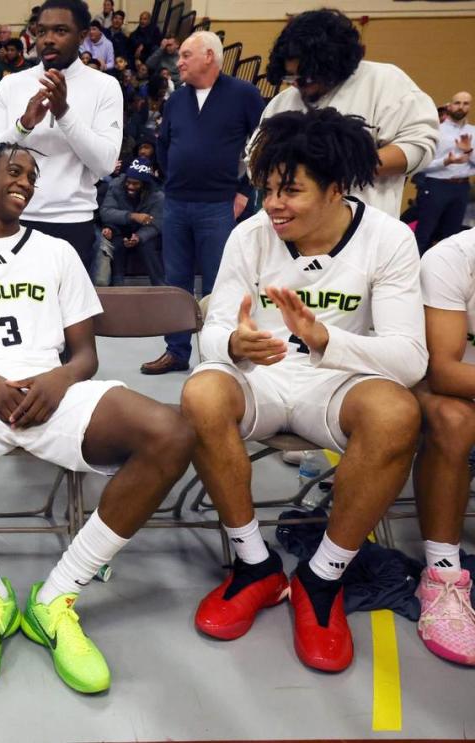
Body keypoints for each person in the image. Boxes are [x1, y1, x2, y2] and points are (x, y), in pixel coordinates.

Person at [0, 142, 194, 695]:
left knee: (171, 432)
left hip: (53, 391)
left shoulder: (57, 253)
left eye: (32, 176)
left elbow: (86, 356)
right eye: (13, 171)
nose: (24, 182)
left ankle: (57, 597)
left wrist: (56, 380)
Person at [181, 108, 427, 673]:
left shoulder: (387, 240)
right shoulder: (250, 237)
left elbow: (409, 358)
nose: (273, 204)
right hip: (261, 380)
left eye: (290, 190)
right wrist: (235, 347)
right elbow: (213, 333)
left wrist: (326, 342)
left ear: (337, 188)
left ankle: (322, 578)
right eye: (267, 189)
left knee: (396, 411)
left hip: (335, 384)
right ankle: (254, 566)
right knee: (201, 395)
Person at [141, 31, 264, 375]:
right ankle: (176, 351)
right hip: (177, 202)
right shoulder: (177, 100)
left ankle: (217, 355)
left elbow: (263, 144)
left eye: (185, 55)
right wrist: (172, 179)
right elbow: (163, 145)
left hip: (220, 204)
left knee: (219, 283)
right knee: (175, 282)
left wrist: (243, 189)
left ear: (209, 56)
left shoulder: (244, 95)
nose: (178, 62)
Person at [0, 0, 123, 273]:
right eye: (41, 32)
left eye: (60, 31)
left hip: (73, 222)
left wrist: (64, 113)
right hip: (16, 219)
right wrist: (23, 125)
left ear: (81, 37)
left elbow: (104, 164)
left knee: (68, 315)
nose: (48, 40)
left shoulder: (105, 86)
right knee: (14, 313)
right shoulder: (12, 85)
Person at [257, 9, 438, 219]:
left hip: (361, 229)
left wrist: (340, 166)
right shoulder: (283, 102)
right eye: (291, 78)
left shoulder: (384, 83)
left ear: (334, 64)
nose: (297, 85)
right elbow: (256, 158)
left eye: (307, 78)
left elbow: (417, 146)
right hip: (289, 229)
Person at [413, 226, 475, 667]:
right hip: (439, 384)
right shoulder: (453, 259)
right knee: (455, 421)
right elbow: (445, 374)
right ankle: (442, 574)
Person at [413, 92, 474, 253]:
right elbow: (421, 164)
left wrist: (469, 151)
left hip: (462, 187)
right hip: (436, 185)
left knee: (452, 237)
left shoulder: (472, 132)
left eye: (466, 103)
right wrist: (446, 161)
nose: (461, 107)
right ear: (449, 105)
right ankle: (412, 272)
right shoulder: (436, 130)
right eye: (457, 103)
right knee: (424, 232)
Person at [99, 155, 163, 287]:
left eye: (135, 184)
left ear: (144, 185)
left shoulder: (157, 196)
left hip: (144, 233)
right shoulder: (115, 185)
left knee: (147, 246)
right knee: (117, 244)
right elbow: (106, 212)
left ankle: (160, 285)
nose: (131, 186)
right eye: (128, 182)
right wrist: (132, 216)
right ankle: (118, 286)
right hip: (120, 229)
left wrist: (139, 237)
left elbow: (156, 224)